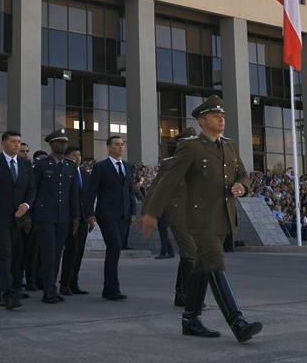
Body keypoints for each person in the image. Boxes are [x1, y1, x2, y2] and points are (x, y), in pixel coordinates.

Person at [141, 95, 262, 343]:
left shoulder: (229, 146)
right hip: (199, 219)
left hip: (223, 217)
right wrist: (152, 212)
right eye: (216, 116)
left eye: (223, 115)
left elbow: (242, 175)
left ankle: (190, 320)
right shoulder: (191, 146)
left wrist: (242, 187)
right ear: (201, 121)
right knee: (216, 264)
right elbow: (169, 180)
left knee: (201, 267)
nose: (222, 118)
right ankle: (237, 322)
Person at [141, 127, 199, 307]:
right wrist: (147, 213)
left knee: (188, 254)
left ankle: (181, 294)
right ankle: (190, 296)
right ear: (181, 144)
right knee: (192, 252)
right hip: (178, 213)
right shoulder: (170, 163)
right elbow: (157, 188)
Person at [0, 130, 36, 310]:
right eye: (13, 141)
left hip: (17, 218)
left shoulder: (25, 164)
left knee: (9, 256)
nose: (17, 145)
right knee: (4, 254)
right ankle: (8, 294)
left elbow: (31, 189)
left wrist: (27, 206)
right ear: (3, 143)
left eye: (19, 141)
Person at [82, 135, 137, 301]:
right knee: (114, 246)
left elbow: (130, 191)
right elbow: (90, 192)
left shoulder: (127, 167)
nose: (120, 147)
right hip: (106, 214)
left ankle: (109, 288)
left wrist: (133, 211)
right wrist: (89, 214)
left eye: (122, 144)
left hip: (124, 215)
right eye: (117, 144)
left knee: (115, 250)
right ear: (109, 147)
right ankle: (112, 288)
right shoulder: (101, 167)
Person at [31, 129, 80, 304]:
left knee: (57, 252)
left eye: (65, 143)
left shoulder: (71, 166)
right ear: (51, 145)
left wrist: (75, 217)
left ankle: (52, 287)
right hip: (45, 215)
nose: (63, 145)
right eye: (59, 142)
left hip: (63, 216)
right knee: (48, 252)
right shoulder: (41, 165)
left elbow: (73, 193)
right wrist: (31, 215)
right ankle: (48, 290)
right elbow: (33, 190)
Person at [59, 146, 90, 296]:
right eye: (73, 155)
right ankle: (64, 283)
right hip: (70, 218)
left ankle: (74, 282)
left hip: (83, 218)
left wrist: (90, 216)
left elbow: (88, 197)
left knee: (79, 252)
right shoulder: (65, 172)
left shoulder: (84, 174)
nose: (77, 158)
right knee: (71, 250)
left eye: (79, 155)